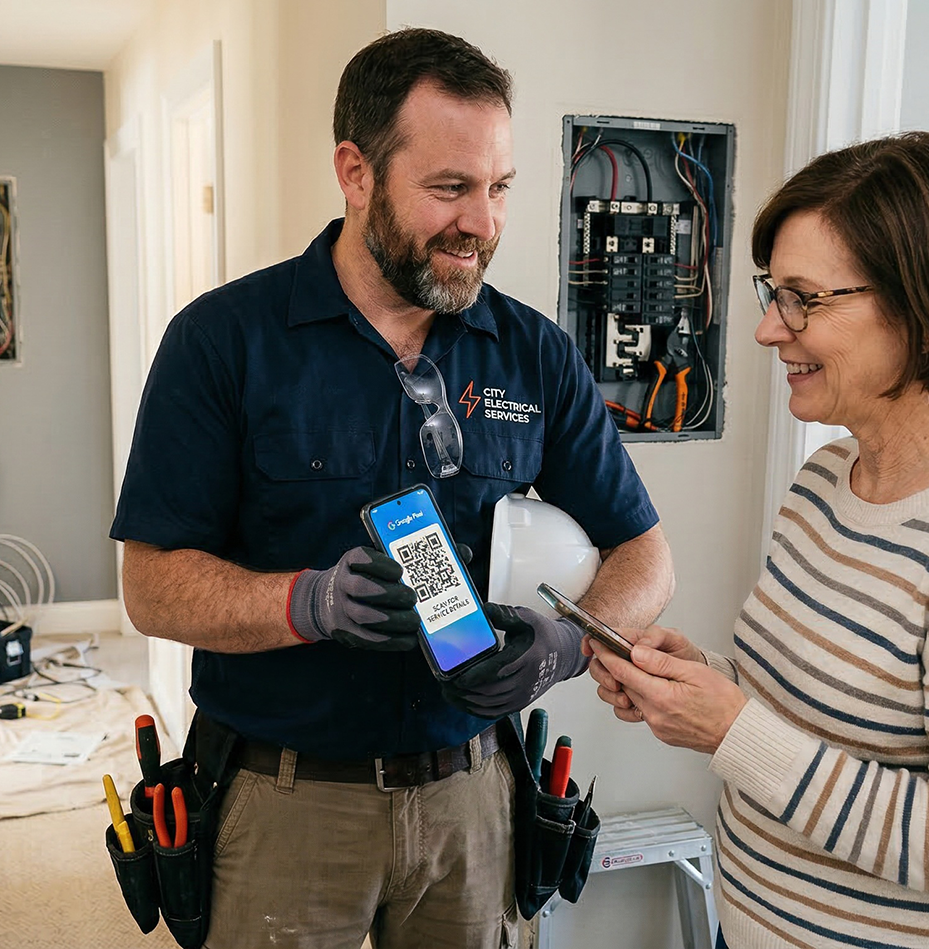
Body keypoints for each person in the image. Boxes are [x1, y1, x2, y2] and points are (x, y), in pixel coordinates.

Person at [110, 28, 674, 949]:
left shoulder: (534, 352)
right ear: (356, 171)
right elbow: (152, 584)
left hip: (476, 800)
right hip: (285, 802)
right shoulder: (221, 342)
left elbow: (645, 554)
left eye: (498, 189)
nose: (484, 223)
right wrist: (309, 602)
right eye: (450, 188)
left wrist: (566, 644)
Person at [589, 132, 929, 949]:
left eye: (803, 298)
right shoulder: (826, 480)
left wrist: (731, 728)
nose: (766, 330)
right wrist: (697, 684)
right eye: (772, 292)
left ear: (922, 302)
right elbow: (799, 713)